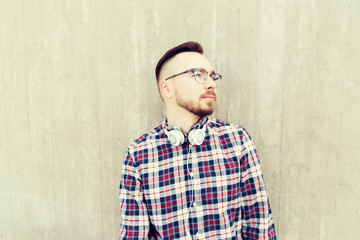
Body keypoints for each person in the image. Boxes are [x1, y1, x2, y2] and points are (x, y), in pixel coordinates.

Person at [119, 41, 276, 239]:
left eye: (212, 76)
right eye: (198, 74)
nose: (211, 83)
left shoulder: (237, 141)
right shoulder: (138, 155)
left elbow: (260, 225)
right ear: (167, 88)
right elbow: (134, 235)